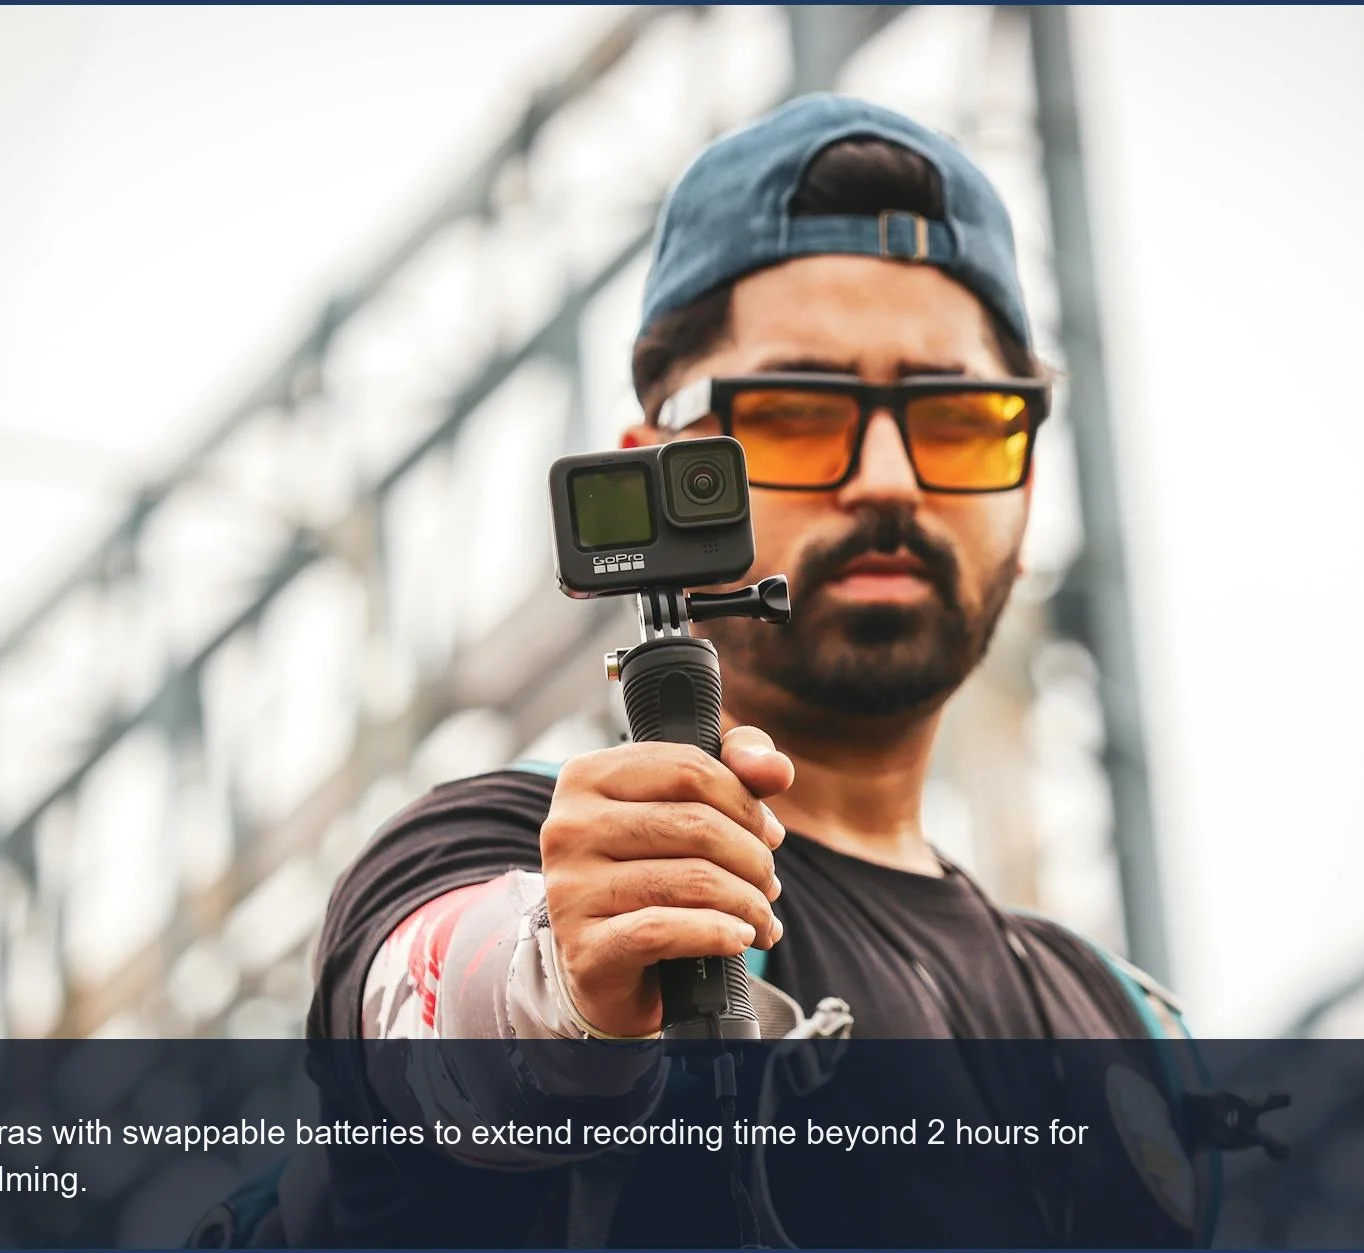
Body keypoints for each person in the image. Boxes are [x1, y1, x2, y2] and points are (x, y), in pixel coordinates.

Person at [288, 93, 1210, 1249]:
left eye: (961, 420)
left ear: (1025, 487)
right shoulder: (495, 849)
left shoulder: (1116, 1021)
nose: (884, 477)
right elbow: (436, 1022)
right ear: (658, 473)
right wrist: (563, 978)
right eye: (789, 413)